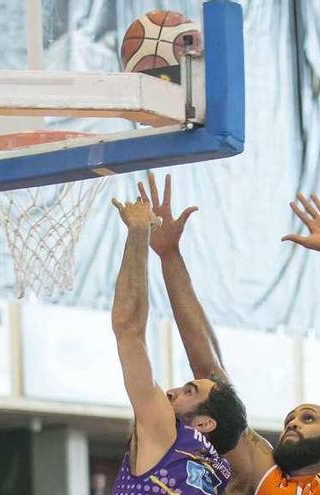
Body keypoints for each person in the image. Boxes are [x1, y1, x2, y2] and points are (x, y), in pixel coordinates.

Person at [139, 174, 320, 495]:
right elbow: (210, 375)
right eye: (290, 422)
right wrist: (169, 255)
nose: (294, 424)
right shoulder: (262, 476)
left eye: (308, 419)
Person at [108, 194, 248, 495]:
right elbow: (212, 363)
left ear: (204, 424)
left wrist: (137, 232)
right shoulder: (220, 475)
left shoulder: (166, 433)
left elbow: (129, 329)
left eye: (189, 392)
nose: (171, 391)